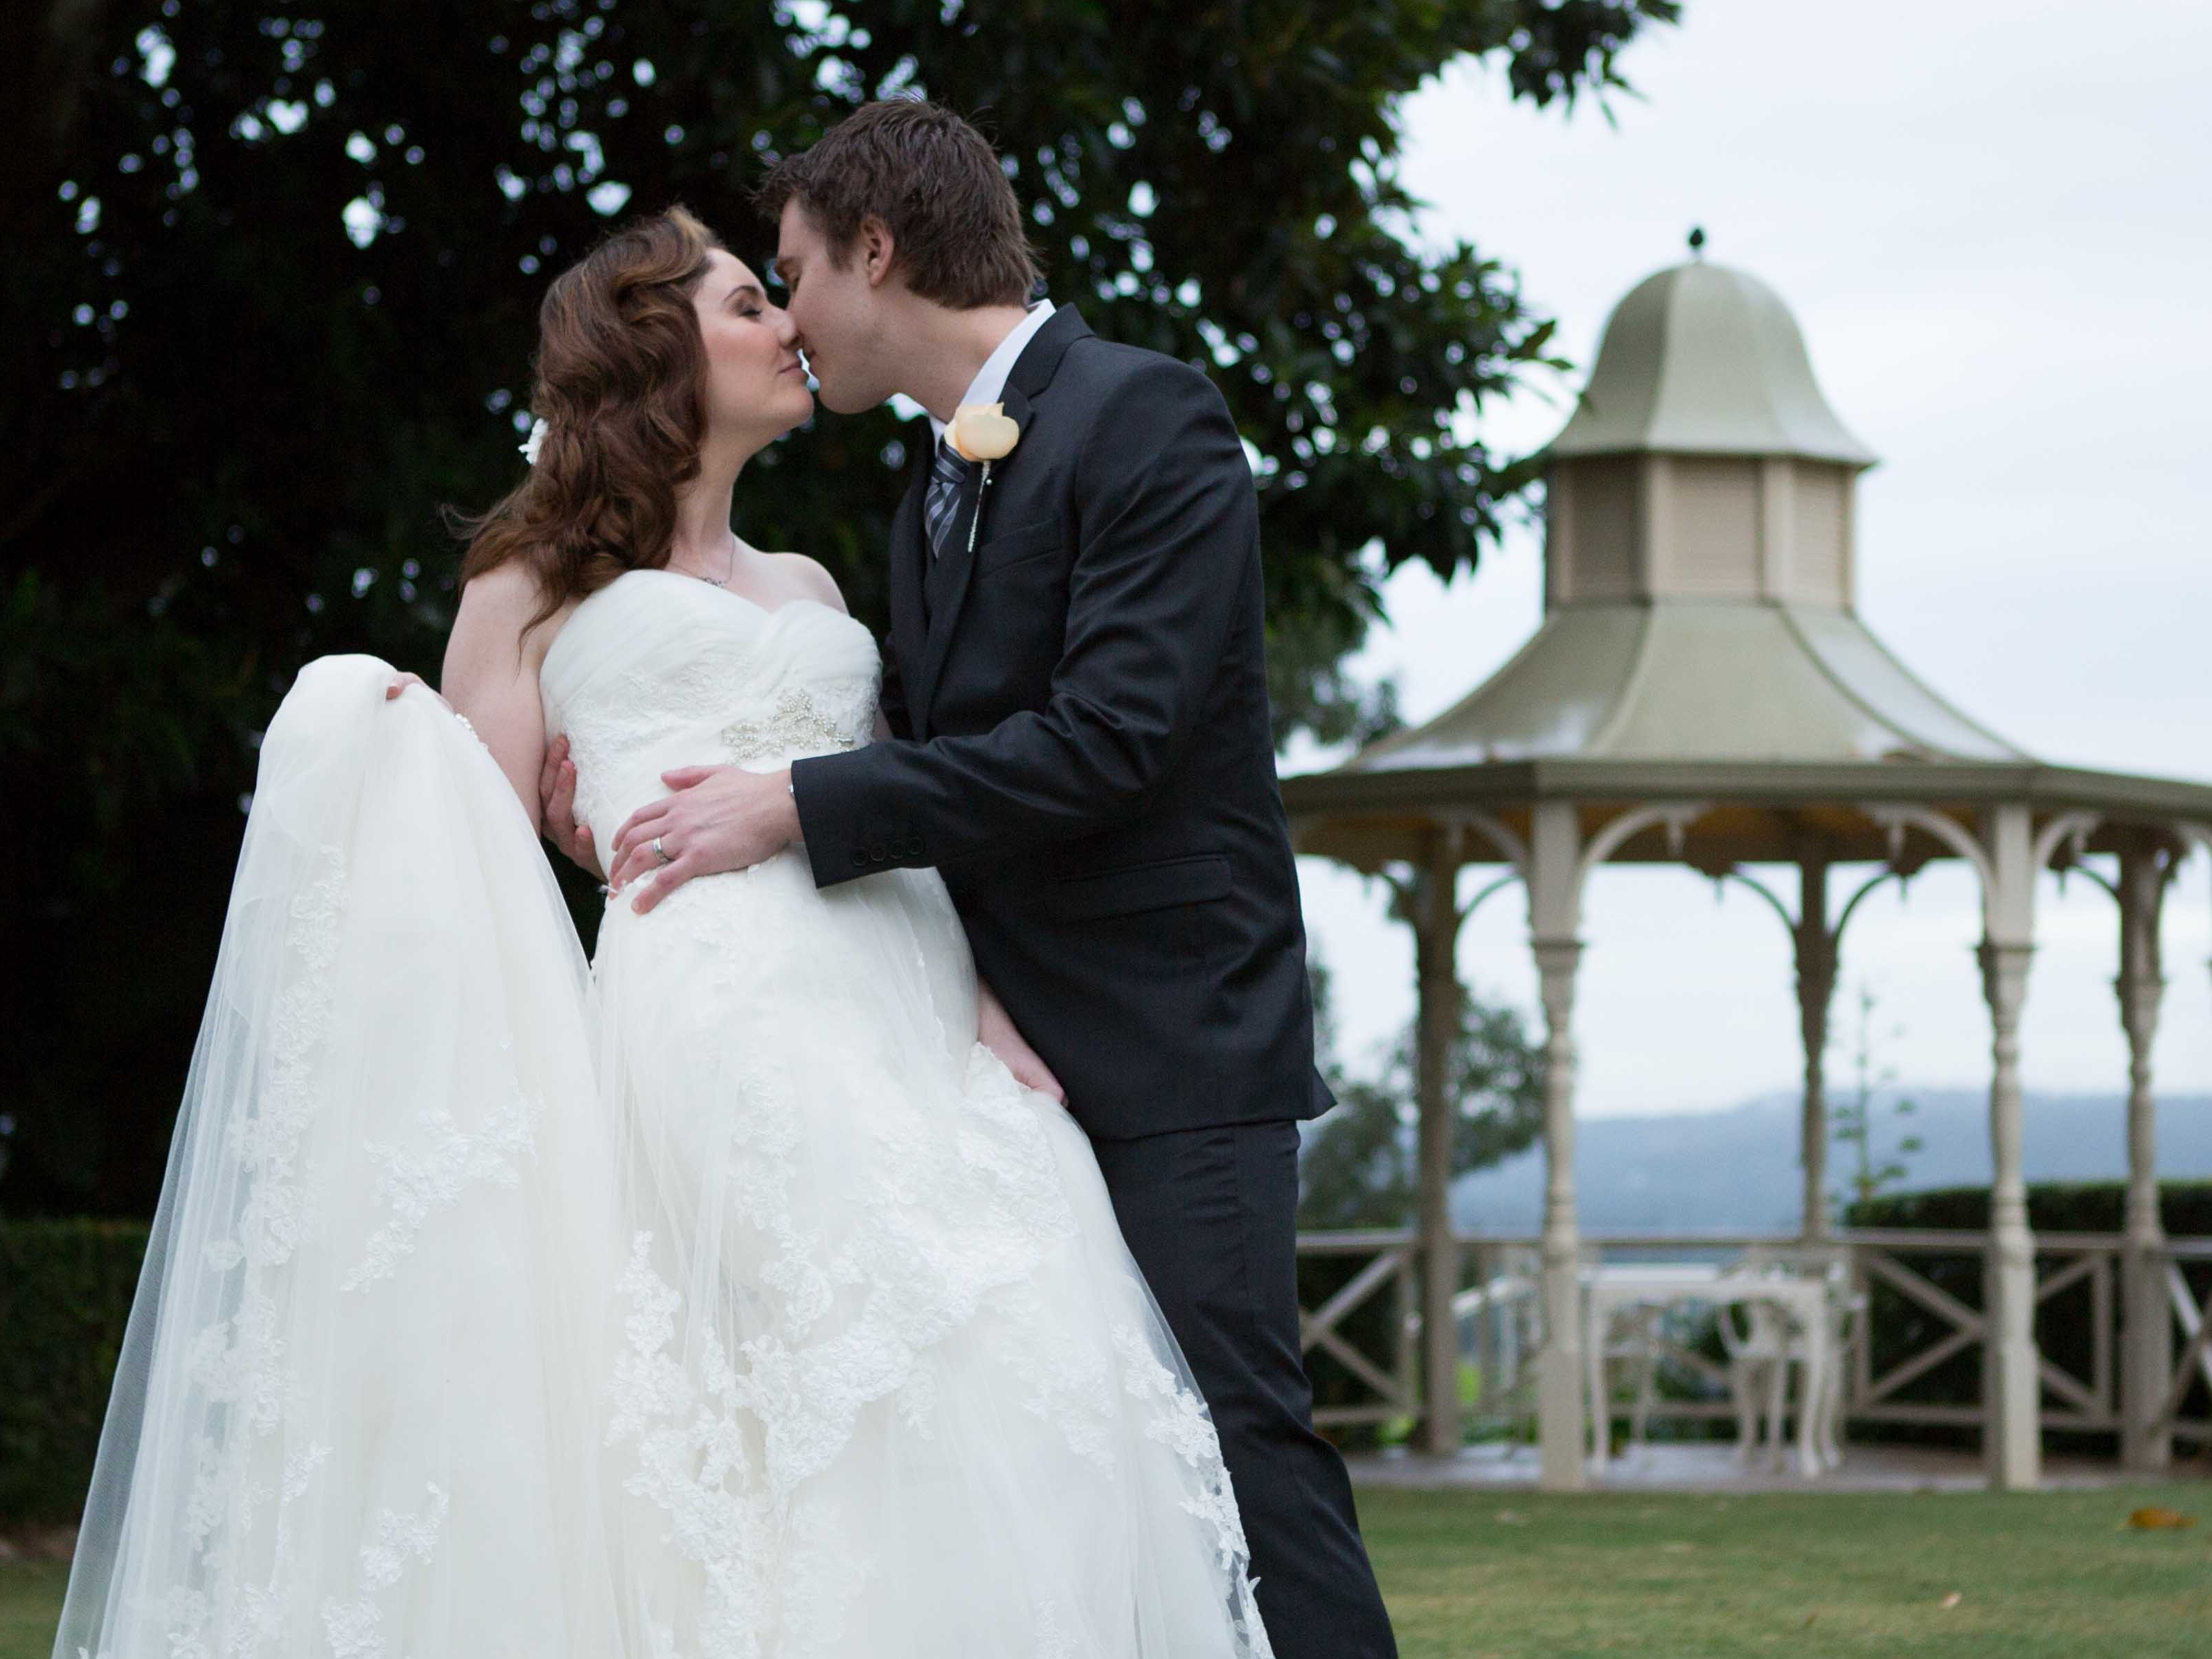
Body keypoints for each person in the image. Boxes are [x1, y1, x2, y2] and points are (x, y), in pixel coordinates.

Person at [55, 205, 1271, 1659]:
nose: (789, 326)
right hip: (717, 1017)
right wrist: (393, 752)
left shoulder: (819, 584)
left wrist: (988, 1004)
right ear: (654, 349)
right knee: (801, 1402)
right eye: (753, 303)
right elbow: (471, 865)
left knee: (1023, 1367)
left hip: (912, 1009)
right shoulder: (524, 590)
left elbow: (890, 813)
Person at [551, 102, 1396, 1659]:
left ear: (877, 254)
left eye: (793, 271)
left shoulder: (1150, 418)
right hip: (980, 1058)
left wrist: (797, 804)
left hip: (1168, 1043)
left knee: (1238, 1456)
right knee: (1075, 1476)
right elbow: (946, 780)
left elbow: (1113, 741)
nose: (789, 314)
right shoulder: (922, 497)